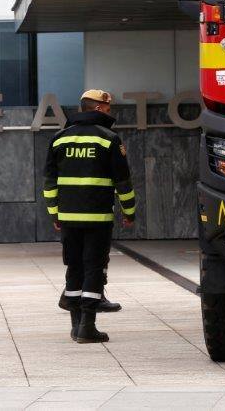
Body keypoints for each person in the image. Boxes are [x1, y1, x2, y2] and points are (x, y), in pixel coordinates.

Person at [43, 90, 136, 343]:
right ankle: (87, 326)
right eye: (107, 109)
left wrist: (55, 213)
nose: (110, 113)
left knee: (74, 267)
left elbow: (50, 182)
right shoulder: (109, 139)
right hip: (98, 218)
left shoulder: (59, 139)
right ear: (98, 109)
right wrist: (130, 212)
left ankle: (75, 327)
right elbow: (123, 182)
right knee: (93, 268)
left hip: (69, 218)